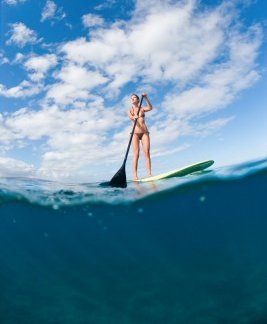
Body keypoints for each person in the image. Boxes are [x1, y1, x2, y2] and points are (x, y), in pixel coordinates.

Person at [128, 93, 153, 180]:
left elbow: (150, 108)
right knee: (136, 154)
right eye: (131, 98)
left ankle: (149, 174)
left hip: (144, 132)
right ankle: (135, 176)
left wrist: (146, 98)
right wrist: (134, 117)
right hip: (135, 134)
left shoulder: (142, 109)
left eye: (134, 98)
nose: (133, 99)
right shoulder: (129, 110)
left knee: (147, 152)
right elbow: (131, 117)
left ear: (138, 100)